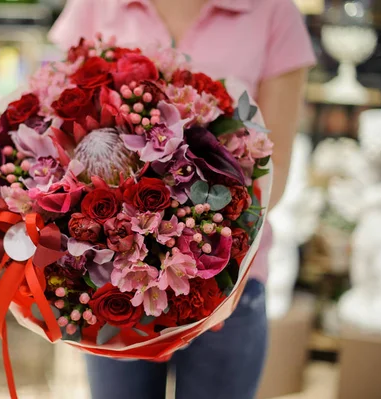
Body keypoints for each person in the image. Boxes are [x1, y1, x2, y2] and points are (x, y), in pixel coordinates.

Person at [49, 1, 316, 398]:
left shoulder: (273, 11)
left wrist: (174, 233)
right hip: (114, 287)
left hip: (229, 283)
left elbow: (272, 175)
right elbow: (57, 126)